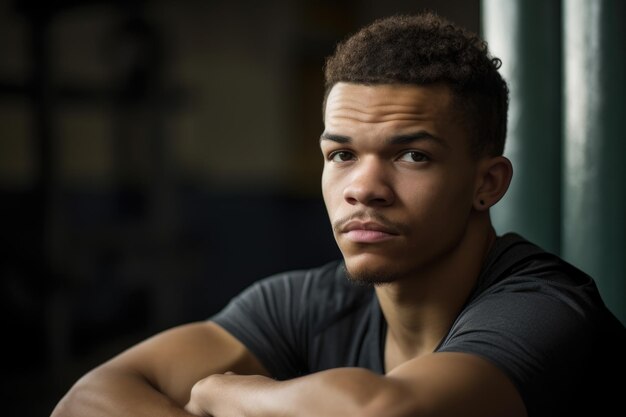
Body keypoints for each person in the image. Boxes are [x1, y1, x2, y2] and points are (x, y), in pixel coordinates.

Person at [51, 11, 625, 417]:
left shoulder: (544, 307)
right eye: (342, 155)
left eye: (413, 155)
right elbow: (87, 400)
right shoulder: (304, 304)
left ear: (487, 183)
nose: (364, 188)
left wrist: (220, 393)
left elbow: (383, 413)